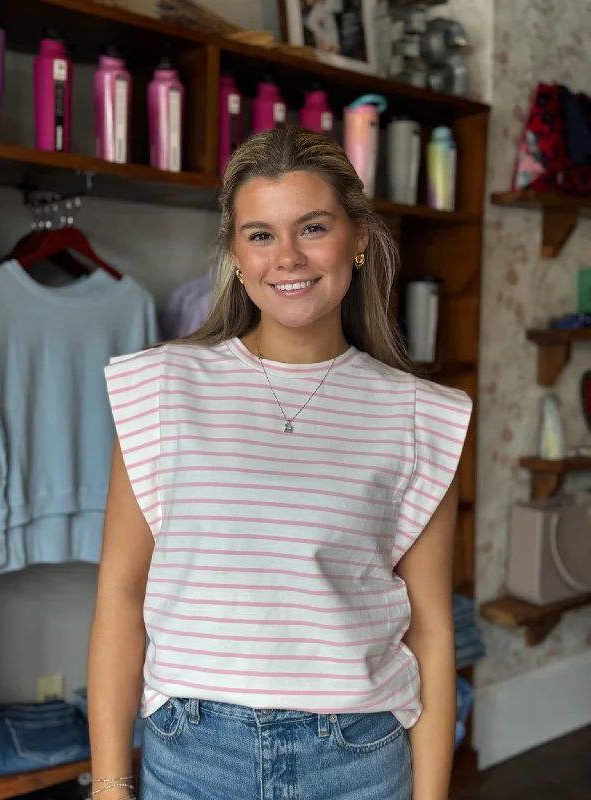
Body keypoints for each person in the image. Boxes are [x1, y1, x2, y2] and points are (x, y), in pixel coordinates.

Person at [88, 125, 472, 800]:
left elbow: (434, 631)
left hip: (356, 759)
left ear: (358, 239)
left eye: (312, 227)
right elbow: (120, 597)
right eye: (260, 234)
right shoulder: (161, 387)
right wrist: (113, 787)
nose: (287, 257)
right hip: (192, 759)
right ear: (235, 254)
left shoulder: (419, 415)